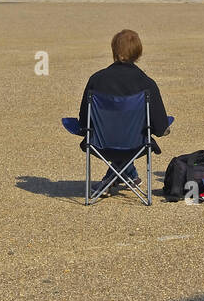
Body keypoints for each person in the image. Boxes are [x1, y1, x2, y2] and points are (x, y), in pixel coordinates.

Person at [72, 29, 171, 192]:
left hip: (100, 143)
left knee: (119, 135)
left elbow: (84, 121)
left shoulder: (96, 80)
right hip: (136, 145)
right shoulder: (147, 83)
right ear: (138, 53)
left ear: (113, 50)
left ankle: (116, 177)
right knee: (129, 135)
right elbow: (160, 127)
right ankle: (128, 175)